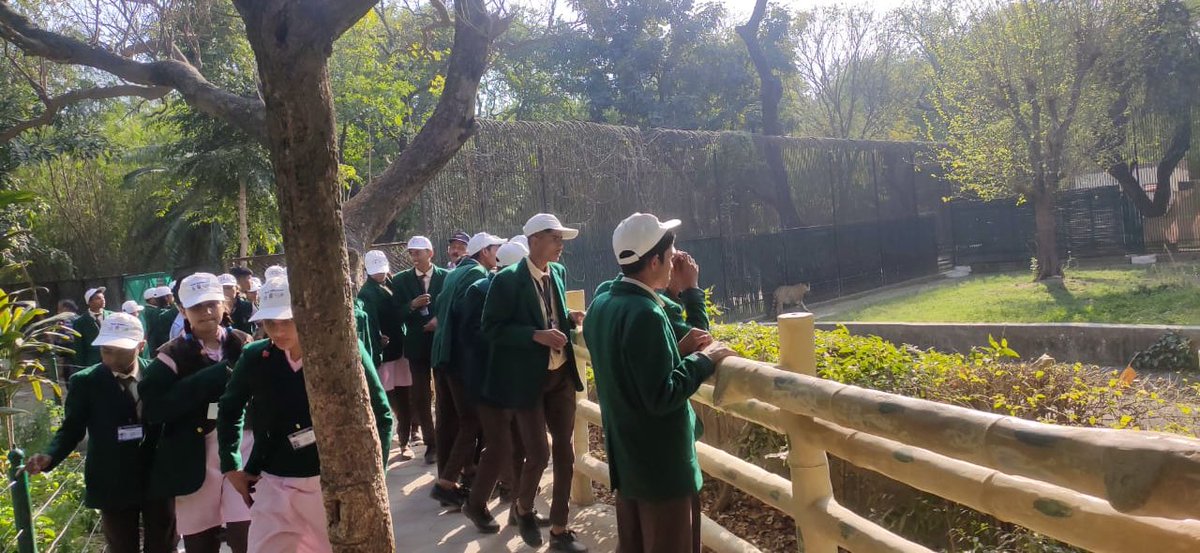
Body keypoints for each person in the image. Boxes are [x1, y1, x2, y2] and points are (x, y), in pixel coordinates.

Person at [585, 213, 737, 553]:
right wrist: (703, 359)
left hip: (629, 460)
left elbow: (628, 367)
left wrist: (675, 349)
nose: (674, 263)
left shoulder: (603, 304)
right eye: (670, 256)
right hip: (661, 468)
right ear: (654, 261)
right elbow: (660, 394)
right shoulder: (646, 314)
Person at [217, 277, 394, 553]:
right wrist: (231, 464)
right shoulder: (254, 357)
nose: (276, 330)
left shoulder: (342, 351)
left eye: (286, 320)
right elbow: (229, 408)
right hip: (272, 480)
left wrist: (375, 476)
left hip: (329, 483)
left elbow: (381, 413)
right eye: (269, 322)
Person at [474, 213, 587, 551]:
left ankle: (560, 529)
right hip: (527, 382)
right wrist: (535, 335)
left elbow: (550, 312)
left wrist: (568, 319)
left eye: (562, 240)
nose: (560, 246)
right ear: (534, 239)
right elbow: (491, 328)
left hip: (561, 375)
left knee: (565, 454)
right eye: (556, 238)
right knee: (538, 453)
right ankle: (523, 507)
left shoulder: (559, 273)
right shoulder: (506, 280)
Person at [25, 313, 179, 553]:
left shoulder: (159, 374)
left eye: (120, 349)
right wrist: (50, 455)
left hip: (157, 476)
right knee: (121, 545)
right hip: (112, 480)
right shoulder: (85, 382)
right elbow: (72, 428)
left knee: (163, 543)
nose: (111, 356)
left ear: (141, 345)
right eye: (106, 349)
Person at [139, 273, 253, 553]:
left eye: (212, 304)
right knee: (201, 537)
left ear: (225, 303)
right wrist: (209, 380)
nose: (206, 312)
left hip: (243, 447)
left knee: (246, 530)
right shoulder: (170, 355)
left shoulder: (244, 343)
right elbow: (153, 408)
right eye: (197, 307)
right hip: (193, 454)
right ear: (182, 311)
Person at [428, 232, 505, 506]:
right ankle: (447, 483)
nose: (498, 253)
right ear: (484, 252)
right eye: (496, 248)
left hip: (442, 355)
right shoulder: (476, 276)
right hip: (459, 358)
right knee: (471, 420)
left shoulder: (453, 274)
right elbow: (470, 320)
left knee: (451, 419)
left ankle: (461, 475)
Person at [393, 235, 448, 466]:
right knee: (422, 396)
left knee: (446, 394)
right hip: (416, 346)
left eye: (418, 252)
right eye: (411, 253)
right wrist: (412, 306)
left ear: (430, 253)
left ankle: (446, 440)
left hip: (441, 343)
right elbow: (394, 313)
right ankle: (431, 444)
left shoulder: (446, 276)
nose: (415, 257)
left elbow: (452, 306)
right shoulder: (401, 280)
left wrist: (439, 320)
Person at [357, 250, 413, 459]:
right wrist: (377, 338)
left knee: (404, 396)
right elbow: (370, 321)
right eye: (375, 272)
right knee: (387, 400)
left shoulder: (391, 284)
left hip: (399, 349)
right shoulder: (366, 293)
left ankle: (406, 440)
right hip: (384, 355)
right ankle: (389, 441)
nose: (380, 275)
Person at [594, 250, 710, 350]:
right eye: (670, 257)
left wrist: (672, 292)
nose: (671, 265)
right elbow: (700, 340)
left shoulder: (603, 293)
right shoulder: (652, 311)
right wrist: (691, 289)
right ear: (654, 263)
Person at [71, 287, 113, 374]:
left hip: (112, 360)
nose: (103, 300)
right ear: (89, 302)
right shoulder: (80, 322)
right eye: (98, 298)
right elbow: (79, 347)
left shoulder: (113, 316)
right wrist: (82, 369)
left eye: (103, 297)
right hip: (92, 363)